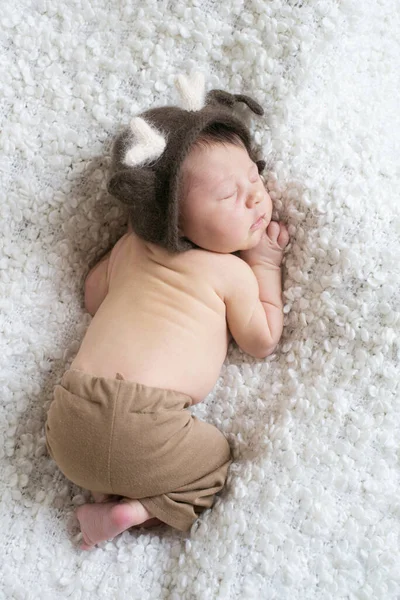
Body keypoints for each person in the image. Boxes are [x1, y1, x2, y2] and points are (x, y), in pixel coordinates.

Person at [44, 73, 290, 550]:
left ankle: (104, 479)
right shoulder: (229, 273)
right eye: (228, 196)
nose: (255, 197)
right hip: (150, 425)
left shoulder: (128, 249)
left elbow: (93, 297)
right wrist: (265, 263)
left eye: (254, 178)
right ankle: (134, 510)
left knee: (111, 452)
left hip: (69, 420)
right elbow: (263, 341)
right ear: (175, 219)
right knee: (215, 461)